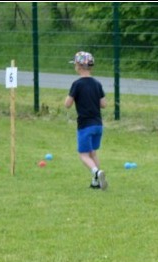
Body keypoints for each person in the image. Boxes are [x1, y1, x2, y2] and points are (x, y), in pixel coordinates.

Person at [64, 51, 107, 190]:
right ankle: (96, 182)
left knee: (83, 155)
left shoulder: (77, 84)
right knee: (92, 152)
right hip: (98, 125)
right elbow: (104, 104)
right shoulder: (97, 83)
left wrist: (72, 96)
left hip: (85, 126)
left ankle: (96, 172)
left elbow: (67, 104)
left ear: (78, 66)